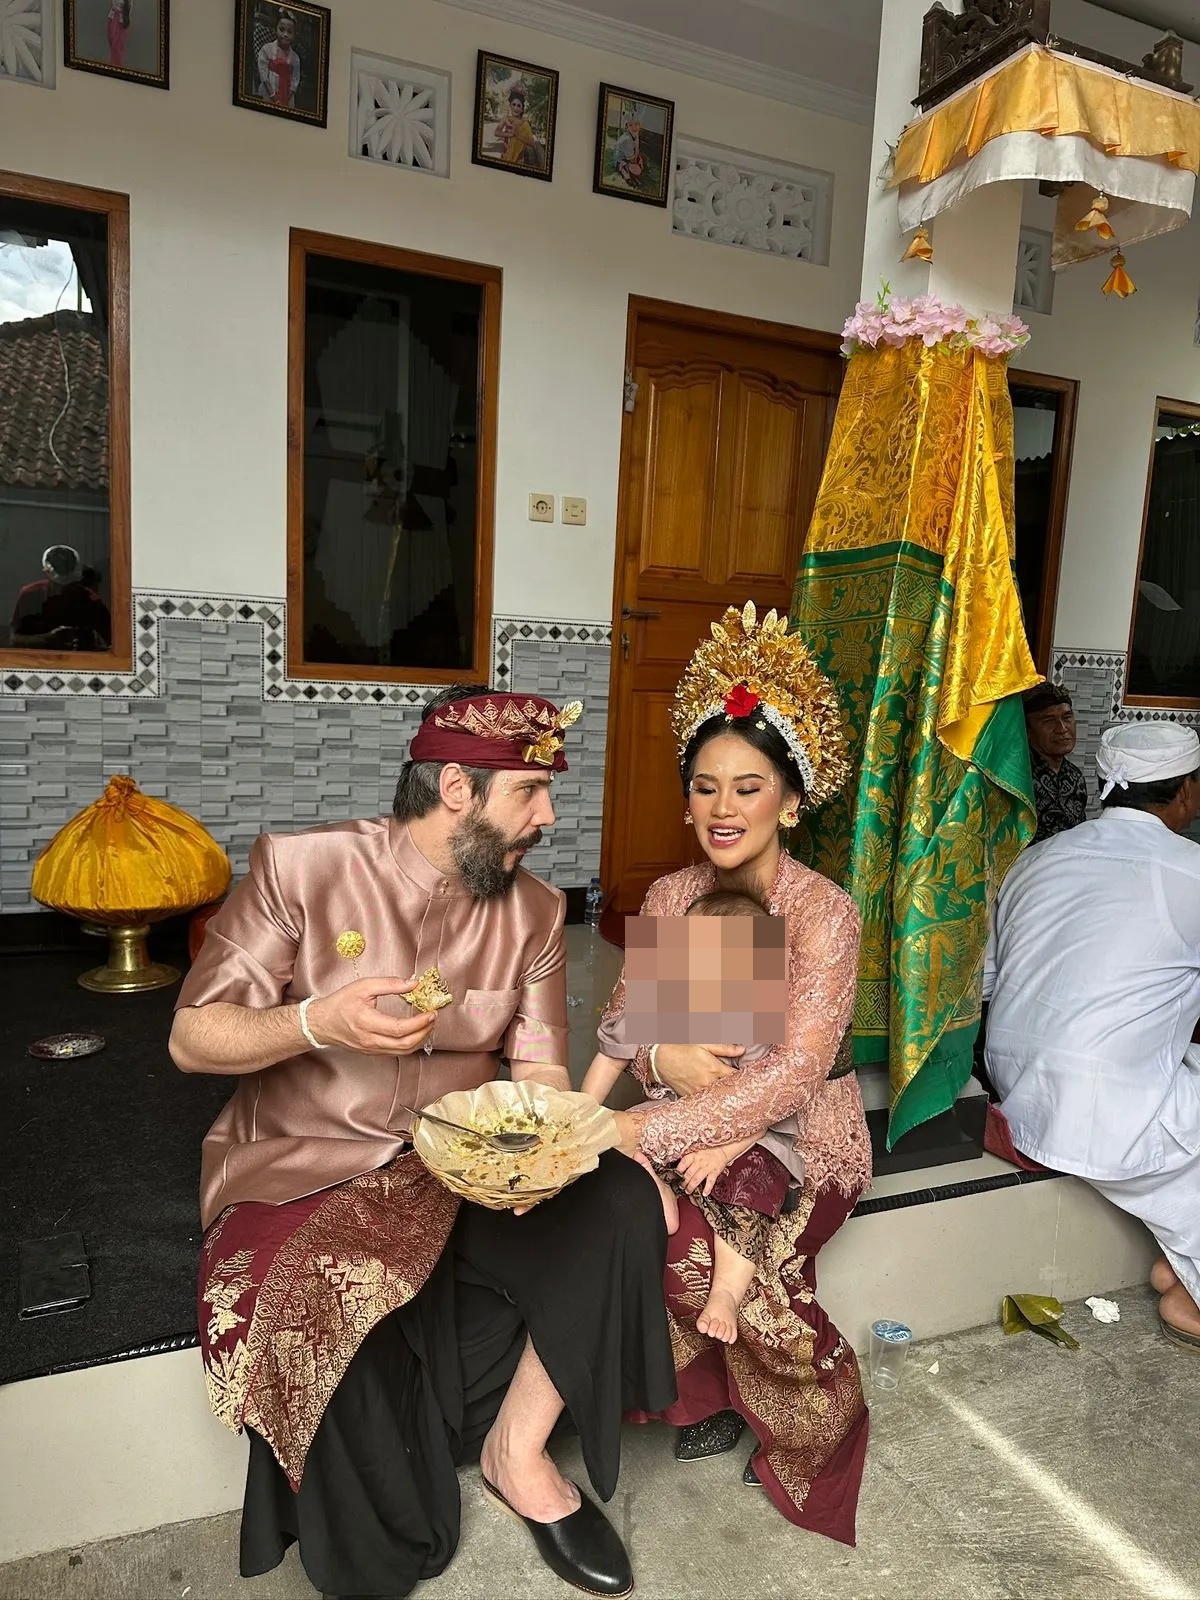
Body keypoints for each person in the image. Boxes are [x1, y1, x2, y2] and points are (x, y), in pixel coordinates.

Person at [169, 686, 676, 1600]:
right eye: (531, 791)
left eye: (743, 788)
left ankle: (518, 1452)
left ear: (790, 804)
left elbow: (553, 1070)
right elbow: (191, 1037)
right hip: (307, 1162)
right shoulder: (303, 868)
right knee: (323, 1324)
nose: (551, 817)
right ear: (454, 788)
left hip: (484, 1162)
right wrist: (318, 1021)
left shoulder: (593, 909)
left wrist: (610, 1136)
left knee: (633, 1202)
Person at [596, 602, 871, 1544]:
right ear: (685, 801)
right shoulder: (676, 894)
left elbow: (798, 1070)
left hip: (803, 1141)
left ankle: (817, 1434)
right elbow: (628, 1024)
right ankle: (701, 1399)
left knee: (704, 1253)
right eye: (706, 787)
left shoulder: (822, 912)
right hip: (689, 1123)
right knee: (630, 1224)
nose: (723, 809)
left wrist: (648, 1125)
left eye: (748, 788)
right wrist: (659, 1058)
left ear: (789, 802)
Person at [984, 722, 1200, 1349]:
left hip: (1017, 1090)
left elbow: (988, 981)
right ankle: (1187, 1296)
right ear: (1186, 791)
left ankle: (1179, 1268)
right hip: (1101, 1110)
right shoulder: (1188, 870)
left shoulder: (1036, 858)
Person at [584, 886, 804, 1346]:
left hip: (742, 1134)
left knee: (753, 1182)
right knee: (618, 1147)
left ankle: (726, 1292)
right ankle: (656, 1192)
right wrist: (580, 1112)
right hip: (672, 1117)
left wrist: (722, 1151)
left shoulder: (755, 1027)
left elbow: (765, 1107)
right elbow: (613, 1053)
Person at [9, 545, 111, 650]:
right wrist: (48, 639)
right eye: (58, 585)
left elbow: (112, 642)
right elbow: (14, 639)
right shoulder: (30, 594)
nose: (61, 590)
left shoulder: (90, 599)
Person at [1023, 683, 1087, 844]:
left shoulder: (1075, 777)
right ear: (1028, 729)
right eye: (1048, 720)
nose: (1062, 728)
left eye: (1067, 717)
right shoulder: (1018, 778)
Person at [256, 8, 300, 108]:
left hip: (287, 96)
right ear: (275, 29)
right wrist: (273, 97)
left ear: (294, 34)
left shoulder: (295, 58)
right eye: (282, 30)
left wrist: (288, 96)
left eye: (289, 32)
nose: (285, 34)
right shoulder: (267, 49)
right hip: (269, 93)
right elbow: (263, 75)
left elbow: (295, 79)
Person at [497, 86, 539, 167]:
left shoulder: (524, 124)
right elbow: (496, 132)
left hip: (519, 159)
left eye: (519, 106)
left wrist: (517, 135)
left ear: (522, 109)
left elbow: (532, 143)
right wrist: (509, 135)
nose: (515, 108)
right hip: (505, 155)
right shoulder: (506, 119)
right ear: (510, 105)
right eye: (514, 104)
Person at [613, 115, 645, 187]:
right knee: (636, 170)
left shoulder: (635, 134)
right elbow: (631, 159)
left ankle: (633, 173)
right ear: (627, 127)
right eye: (630, 125)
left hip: (630, 156)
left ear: (640, 125)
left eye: (636, 124)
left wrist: (639, 159)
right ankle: (625, 173)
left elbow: (637, 149)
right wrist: (636, 164)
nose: (634, 127)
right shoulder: (627, 140)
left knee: (643, 159)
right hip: (621, 160)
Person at [107, 0, 131, 69]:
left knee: (118, 46)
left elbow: (128, 10)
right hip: (112, 20)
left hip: (122, 23)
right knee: (112, 43)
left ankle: (117, 66)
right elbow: (114, 6)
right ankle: (113, 65)